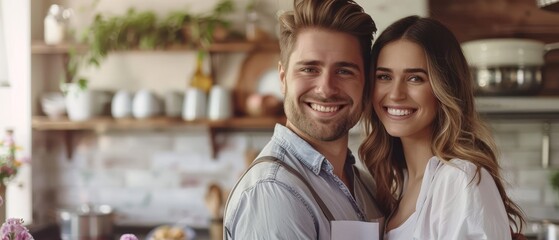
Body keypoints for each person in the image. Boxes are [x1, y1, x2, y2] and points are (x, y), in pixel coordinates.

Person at [224, 0, 382, 239]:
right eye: (309, 69)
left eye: (344, 71)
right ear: (283, 78)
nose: (326, 89)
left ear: (365, 83)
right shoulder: (274, 193)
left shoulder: (362, 183)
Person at [359, 15, 525, 239]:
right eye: (384, 76)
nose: (395, 94)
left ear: (446, 87)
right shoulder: (398, 183)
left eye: (415, 78)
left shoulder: (459, 179)